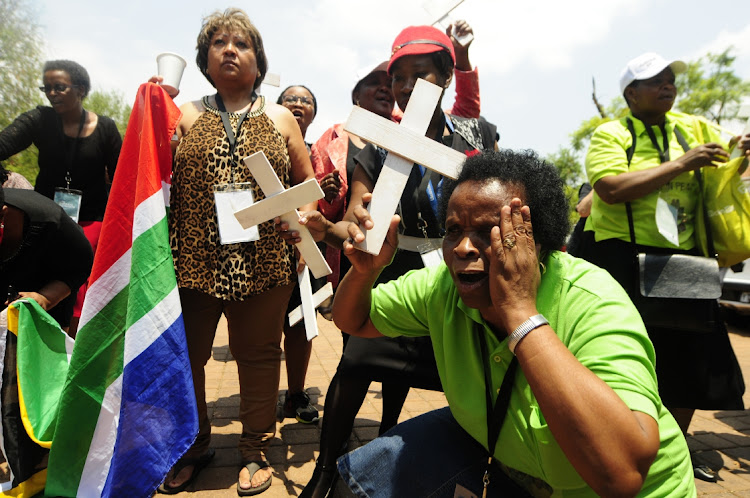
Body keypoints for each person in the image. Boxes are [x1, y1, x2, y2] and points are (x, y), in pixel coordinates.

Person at [333, 149, 695, 497]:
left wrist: (521, 313)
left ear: (537, 240)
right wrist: (367, 272)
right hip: (519, 471)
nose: (463, 248)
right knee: (382, 464)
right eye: (453, 229)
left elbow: (621, 474)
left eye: (489, 229)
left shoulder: (592, 300)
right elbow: (354, 319)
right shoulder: (441, 285)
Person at [282, 24, 497, 497]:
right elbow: (362, 204)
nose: (408, 86)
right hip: (391, 271)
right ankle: (324, 473)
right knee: (357, 362)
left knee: (469, 374)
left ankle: (465, 466)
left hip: (456, 276)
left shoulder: (475, 136)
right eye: (400, 78)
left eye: (422, 74)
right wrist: (356, 217)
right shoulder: (376, 140)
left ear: (444, 76)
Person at [152, 8, 317, 495]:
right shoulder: (184, 115)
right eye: (219, 43)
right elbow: (152, 176)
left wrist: (303, 221)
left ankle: (254, 449)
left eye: (241, 44)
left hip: (265, 260)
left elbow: (306, 188)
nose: (230, 50)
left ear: (258, 61)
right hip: (193, 260)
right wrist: (152, 106)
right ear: (204, 59)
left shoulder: (281, 116)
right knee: (188, 356)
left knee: (258, 355)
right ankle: (193, 443)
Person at [578, 52, 750, 482]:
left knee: (688, 358)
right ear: (631, 95)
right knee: (622, 353)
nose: (667, 85)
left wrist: (742, 147)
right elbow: (610, 189)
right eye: (654, 80)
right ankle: (619, 442)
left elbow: (732, 149)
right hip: (620, 259)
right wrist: (680, 164)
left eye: (670, 78)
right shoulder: (610, 133)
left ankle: (673, 447)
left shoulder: (692, 127)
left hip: (684, 262)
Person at [0, 60, 122, 336]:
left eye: (59, 87)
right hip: (45, 222)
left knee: (78, 287)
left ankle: (76, 348)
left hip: (91, 221)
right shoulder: (40, 120)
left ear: (80, 89)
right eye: (47, 88)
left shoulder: (105, 129)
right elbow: (6, 143)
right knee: (38, 279)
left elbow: (120, 179)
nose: (52, 93)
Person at [276, 84, 324, 424]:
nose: (297, 103)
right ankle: (260, 399)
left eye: (305, 100)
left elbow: (330, 207)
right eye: (290, 98)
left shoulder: (320, 153)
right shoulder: (262, 143)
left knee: (300, 324)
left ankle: (295, 394)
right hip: (259, 248)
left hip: (301, 250)